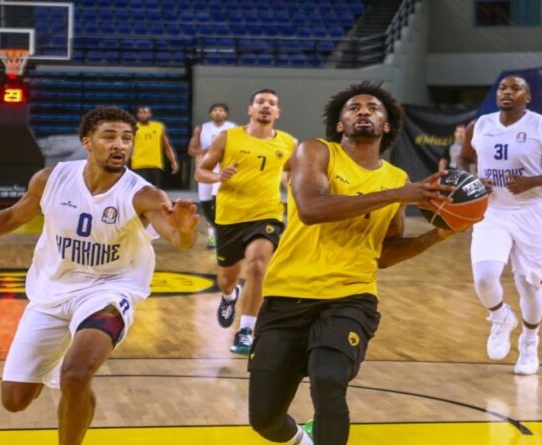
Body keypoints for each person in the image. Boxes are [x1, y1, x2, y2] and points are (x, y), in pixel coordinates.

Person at [0, 106, 198, 445]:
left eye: (127, 139)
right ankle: (66, 373)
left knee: (76, 375)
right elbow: (11, 217)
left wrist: (185, 231)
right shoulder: (51, 179)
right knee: (15, 400)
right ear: (87, 141)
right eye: (109, 136)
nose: (120, 145)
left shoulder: (143, 194)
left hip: (109, 291)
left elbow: (178, 239)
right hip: (51, 292)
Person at [247, 81, 461, 445]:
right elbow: (312, 208)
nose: (363, 111)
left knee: (328, 378)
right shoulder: (315, 151)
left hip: (350, 297)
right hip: (287, 293)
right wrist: (398, 195)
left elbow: (384, 253)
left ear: (387, 125)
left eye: (373, 108)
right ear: (340, 123)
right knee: (265, 419)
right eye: (354, 108)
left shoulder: (396, 179)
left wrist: (438, 234)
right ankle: (304, 440)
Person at [458, 75, 542, 375]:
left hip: (531, 212)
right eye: (503, 87)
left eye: (515, 88)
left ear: (527, 97)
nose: (507, 92)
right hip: (493, 210)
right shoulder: (480, 126)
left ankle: (529, 342)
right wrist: (472, 178)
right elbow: (463, 159)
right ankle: (500, 317)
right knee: (484, 278)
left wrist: (534, 181)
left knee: (529, 285)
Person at [194, 89, 297, 355]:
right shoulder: (228, 137)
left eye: (272, 103)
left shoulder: (289, 142)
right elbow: (201, 172)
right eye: (260, 102)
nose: (266, 106)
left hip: (267, 214)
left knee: (257, 266)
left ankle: (246, 330)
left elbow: (289, 171)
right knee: (227, 279)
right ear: (250, 109)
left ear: (278, 112)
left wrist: (295, 187)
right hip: (230, 216)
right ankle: (229, 296)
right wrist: (217, 177)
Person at [187, 103, 236, 248]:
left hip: (223, 170)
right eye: (215, 110)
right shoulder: (202, 128)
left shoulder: (233, 128)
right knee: (206, 203)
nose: (218, 113)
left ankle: (218, 234)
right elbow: (191, 150)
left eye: (221, 110)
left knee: (218, 201)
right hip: (205, 170)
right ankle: (216, 232)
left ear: (226, 114)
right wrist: (202, 151)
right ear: (210, 114)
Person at [130, 105, 179, 187]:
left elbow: (167, 146)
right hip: (138, 165)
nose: (143, 115)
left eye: (145, 112)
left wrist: (173, 161)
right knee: (140, 189)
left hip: (155, 164)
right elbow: (129, 146)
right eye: (140, 113)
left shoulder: (159, 127)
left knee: (154, 189)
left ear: (150, 114)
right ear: (137, 115)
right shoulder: (133, 127)